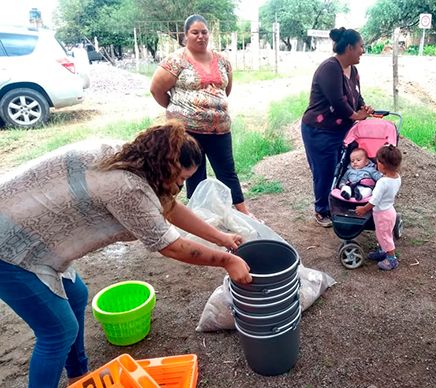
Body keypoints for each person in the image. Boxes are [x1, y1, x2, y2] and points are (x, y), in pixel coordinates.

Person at [0, 121, 252, 388]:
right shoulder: (127, 188)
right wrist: (227, 259)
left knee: (76, 295)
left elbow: (170, 206)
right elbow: (171, 246)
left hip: (26, 228)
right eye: (180, 178)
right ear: (164, 165)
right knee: (58, 332)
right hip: (9, 248)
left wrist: (220, 238)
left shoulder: (133, 156)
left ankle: (77, 375)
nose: (180, 186)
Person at [150, 14, 252, 216]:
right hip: (186, 131)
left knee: (227, 171)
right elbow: (156, 90)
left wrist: (212, 107)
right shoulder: (175, 61)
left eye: (204, 32)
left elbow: (226, 90)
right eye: (195, 32)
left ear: (209, 34)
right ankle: (192, 214)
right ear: (185, 35)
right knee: (190, 171)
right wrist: (177, 110)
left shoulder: (222, 61)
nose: (200, 36)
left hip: (220, 129)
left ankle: (243, 212)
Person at [301, 27, 374, 227]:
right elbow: (338, 102)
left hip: (342, 130)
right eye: (361, 46)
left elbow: (356, 96)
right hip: (320, 130)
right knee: (324, 171)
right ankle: (321, 211)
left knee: (341, 169)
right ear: (349, 47)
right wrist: (356, 115)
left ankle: (337, 203)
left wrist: (363, 107)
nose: (363, 51)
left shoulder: (354, 70)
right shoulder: (330, 68)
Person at [355, 144, 403, 271]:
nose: (376, 165)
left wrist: (363, 209)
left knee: (385, 237)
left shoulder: (382, 182)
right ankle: (383, 251)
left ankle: (392, 260)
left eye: (377, 162)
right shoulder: (397, 177)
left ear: (383, 164)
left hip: (382, 214)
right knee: (383, 235)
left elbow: (374, 201)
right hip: (389, 210)